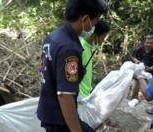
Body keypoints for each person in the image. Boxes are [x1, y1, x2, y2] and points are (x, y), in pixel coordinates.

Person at [37, 0, 107, 132]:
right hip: (60, 119)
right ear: (85, 19)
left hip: (49, 111)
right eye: (95, 22)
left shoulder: (54, 36)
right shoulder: (69, 48)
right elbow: (65, 95)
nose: (93, 26)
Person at [79, 20, 110, 98]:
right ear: (95, 36)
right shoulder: (81, 49)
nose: (103, 41)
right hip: (80, 96)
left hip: (86, 94)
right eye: (103, 38)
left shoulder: (88, 48)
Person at [131, 35, 153, 99]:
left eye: (151, 43)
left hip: (151, 73)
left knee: (151, 91)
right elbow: (133, 57)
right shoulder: (139, 50)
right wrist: (137, 62)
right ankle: (133, 98)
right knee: (136, 82)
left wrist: (150, 68)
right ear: (144, 42)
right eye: (147, 43)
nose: (148, 45)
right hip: (139, 72)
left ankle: (151, 98)